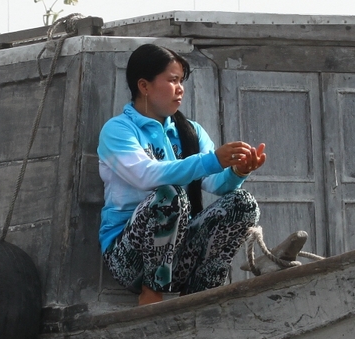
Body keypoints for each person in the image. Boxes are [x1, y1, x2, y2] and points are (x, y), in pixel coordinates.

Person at [98, 44, 267, 305]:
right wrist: (210, 160)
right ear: (144, 86)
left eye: (181, 81)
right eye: (172, 80)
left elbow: (215, 183)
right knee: (170, 194)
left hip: (178, 256)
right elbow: (146, 175)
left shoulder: (190, 131)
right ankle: (151, 293)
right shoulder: (118, 130)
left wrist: (237, 171)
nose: (180, 88)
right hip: (129, 257)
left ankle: (201, 294)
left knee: (242, 203)